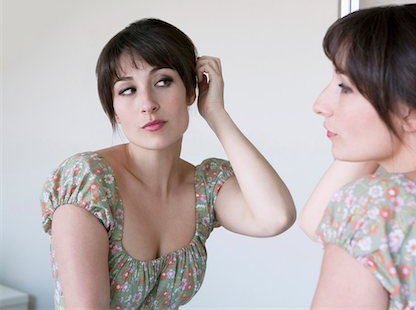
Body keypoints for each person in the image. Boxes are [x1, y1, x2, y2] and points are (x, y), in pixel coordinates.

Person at [40, 18, 296, 309]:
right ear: (114, 110)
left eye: (163, 81)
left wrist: (215, 113)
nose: (147, 103)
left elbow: (276, 217)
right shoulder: (88, 183)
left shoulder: (205, 187)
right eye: (128, 90)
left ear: (190, 91)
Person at [298, 3, 416, 308]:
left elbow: (323, 221)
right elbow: (317, 223)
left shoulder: (378, 203)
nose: (320, 104)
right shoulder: (378, 208)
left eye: (345, 87)